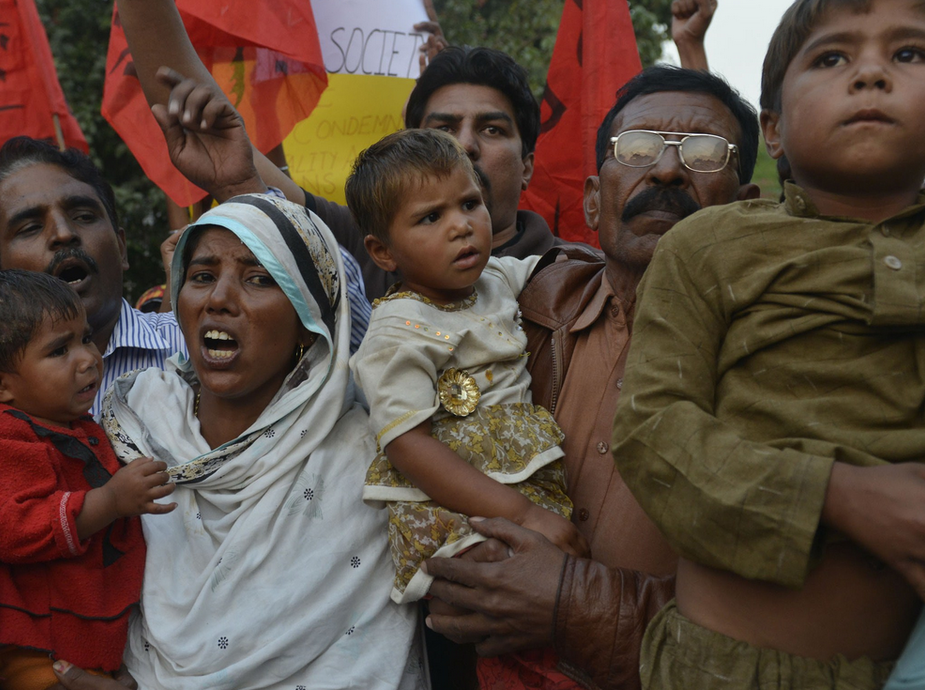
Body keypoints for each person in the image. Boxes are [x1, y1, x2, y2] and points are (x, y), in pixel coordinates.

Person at [613, 0, 925, 687]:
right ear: (774, 130)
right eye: (831, 57)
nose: (871, 72)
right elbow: (651, 430)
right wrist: (835, 496)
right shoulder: (710, 244)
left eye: (908, 54)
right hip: (723, 669)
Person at [422, 65, 761, 690]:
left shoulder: (779, 364)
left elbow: (783, 627)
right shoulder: (514, 320)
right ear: (590, 199)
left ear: (746, 208)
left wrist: (570, 602)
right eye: (636, 148)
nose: (664, 171)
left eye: (705, 152)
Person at [98, 193, 424, 689]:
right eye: (202, 276)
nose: (219, 299)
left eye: (259, 279)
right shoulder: (131, 427)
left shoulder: (367, 464)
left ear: (307, 320)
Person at [113, 0, 560, 302]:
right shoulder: (358, 246)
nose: (464, 144)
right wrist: (231, 174)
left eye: (492, 129)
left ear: (527, 166)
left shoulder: (578, 281)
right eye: (442, 128)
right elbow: (184, 89)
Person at [346, 128, 586, 688]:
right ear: (383, 251)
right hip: (456, 512)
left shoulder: (498, 278)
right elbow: (408, 445)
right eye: (430, 218)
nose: (461, 225)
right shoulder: (395, 333)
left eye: (470, 203)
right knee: (497, 618)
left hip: (525, 492)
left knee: (548, 628)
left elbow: (573, 274)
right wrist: (520, 516)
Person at [0, 137, 369, 419]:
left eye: (83, 215)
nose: (63, 234)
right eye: (30, 227)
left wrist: (241, 186)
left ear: (122, 247)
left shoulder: (209, 348)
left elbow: (347, 329)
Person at [0, 270, 174, 689]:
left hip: (94, 647)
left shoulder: (80, 426)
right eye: (60, 350)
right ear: (3, 386)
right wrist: (110, 502)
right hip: (39, 656)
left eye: (85, 337)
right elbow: (15, 527)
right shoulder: (11, 436)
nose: (88, 357)